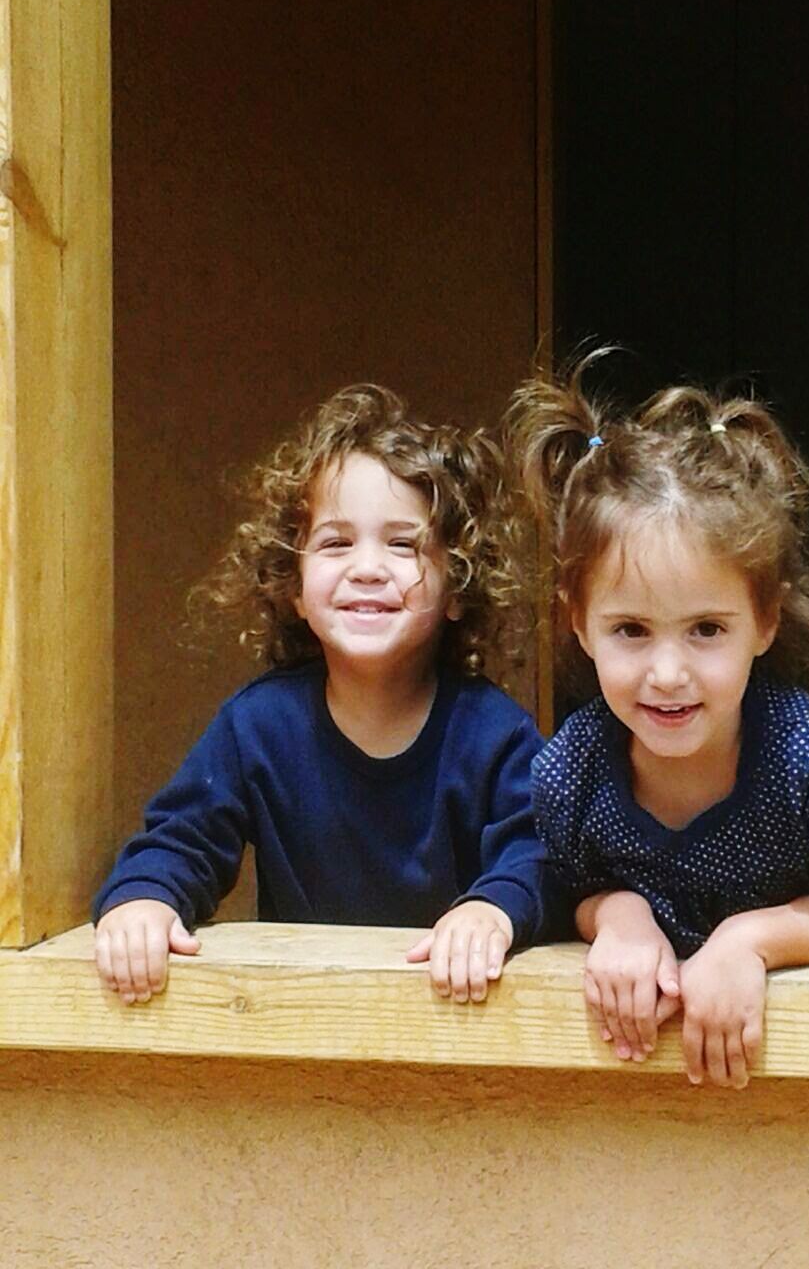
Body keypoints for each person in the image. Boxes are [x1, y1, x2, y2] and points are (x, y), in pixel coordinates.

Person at [508, 354, 809, 1089]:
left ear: (766, 619)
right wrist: (616, 916)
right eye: (630, 631)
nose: (667, 673)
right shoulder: (570, 771)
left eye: (706, 630)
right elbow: (569, 889)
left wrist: (747, 943)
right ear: (578, 625)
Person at [95, 384, 545, 1007]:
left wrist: (494, 909)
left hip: (458, 1027)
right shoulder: (257, 727)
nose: (367, 566)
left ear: (457, 588)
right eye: (337, 543)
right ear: (295, 588)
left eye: (403, 544)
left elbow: (544, 855)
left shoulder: (496, 735)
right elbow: (182, 840)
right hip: (306, 1024)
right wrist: (144, 898)